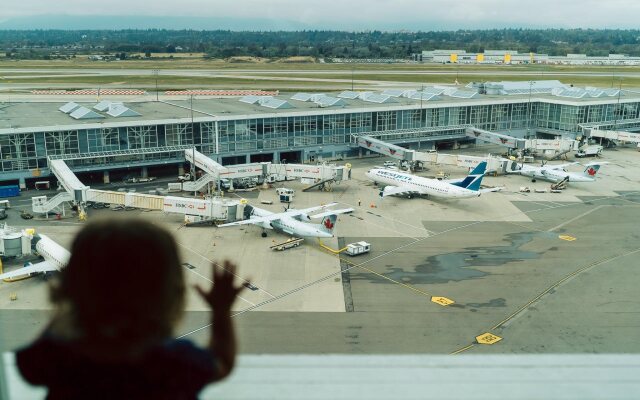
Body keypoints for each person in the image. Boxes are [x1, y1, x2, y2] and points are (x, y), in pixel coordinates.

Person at [15, 218, 246, 399]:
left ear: (69, 289)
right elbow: (222, 362)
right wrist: (221, 310)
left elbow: (28, 369)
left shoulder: (60, 356)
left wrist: (69, 305)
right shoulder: (173, 361)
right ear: (170, 295)